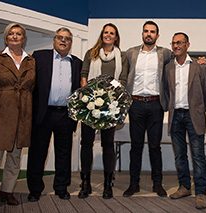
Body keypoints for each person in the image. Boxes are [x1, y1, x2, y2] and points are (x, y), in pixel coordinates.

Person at [0, 23, 35, 213]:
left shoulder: (30, 60)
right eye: (11, 34)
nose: (15, 36)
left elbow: (31, 87)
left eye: (18, 34)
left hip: (22, 114)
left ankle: (7, 191)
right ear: (6, 37)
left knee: (15, 156)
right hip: (0, 112)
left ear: (23, 38)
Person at [27, 27, 82, 202]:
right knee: (37, 153)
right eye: (60, 37)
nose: (63, 41)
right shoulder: (39, 57)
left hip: (65, 115)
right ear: (54, 40)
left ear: (71, 43)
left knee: (64, 153)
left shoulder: (77, 63)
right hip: (43, 113)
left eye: (67, 38)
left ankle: (61, 187)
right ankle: (35, 189)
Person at [123, 21, 173, 197]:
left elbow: (181, 60)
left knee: (154, 146)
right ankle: (133, 184)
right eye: (146, 31)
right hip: (135, 104)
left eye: (152, 32)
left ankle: (157, 184)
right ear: (142, 34)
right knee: (135, 146)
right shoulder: (131, 52)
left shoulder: (165, 53)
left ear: (157, 36)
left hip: (155, 105)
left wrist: (200, 60)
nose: (149, 34)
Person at [78, 23, 128, 199]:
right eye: (106, 32)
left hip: (110, 107)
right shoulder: (90, 54)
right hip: (90, 106)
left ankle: (108, 184)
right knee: (86, 143)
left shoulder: (122, 57)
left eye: (112, 33)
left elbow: (122, 80)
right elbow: (84, 75)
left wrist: (107, 96)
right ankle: (85, 183)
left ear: (116, 37)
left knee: (108, 144)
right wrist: (90, 96)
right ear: (102, 34)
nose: (108, 35)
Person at [164, 32, 206, 209]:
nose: (176, 46)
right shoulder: (168, 67)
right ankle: (184, 187)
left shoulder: (199, 66)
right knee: (180, 155)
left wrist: (199, 109)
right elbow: (167, 92)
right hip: (176, 116)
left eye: (180, 43)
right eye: (174, 43)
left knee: (198, 156)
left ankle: (200, 192)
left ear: (187, 45)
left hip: (194, 116)